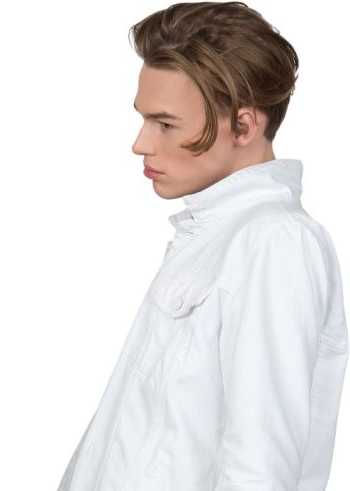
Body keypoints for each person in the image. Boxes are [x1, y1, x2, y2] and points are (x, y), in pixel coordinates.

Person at [58, 2, 348, 489]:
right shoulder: (216, 237)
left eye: (165, 124)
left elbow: (261, 467)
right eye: (144, 119)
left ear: (244, 125)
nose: (140, 144)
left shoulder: (275, 244)